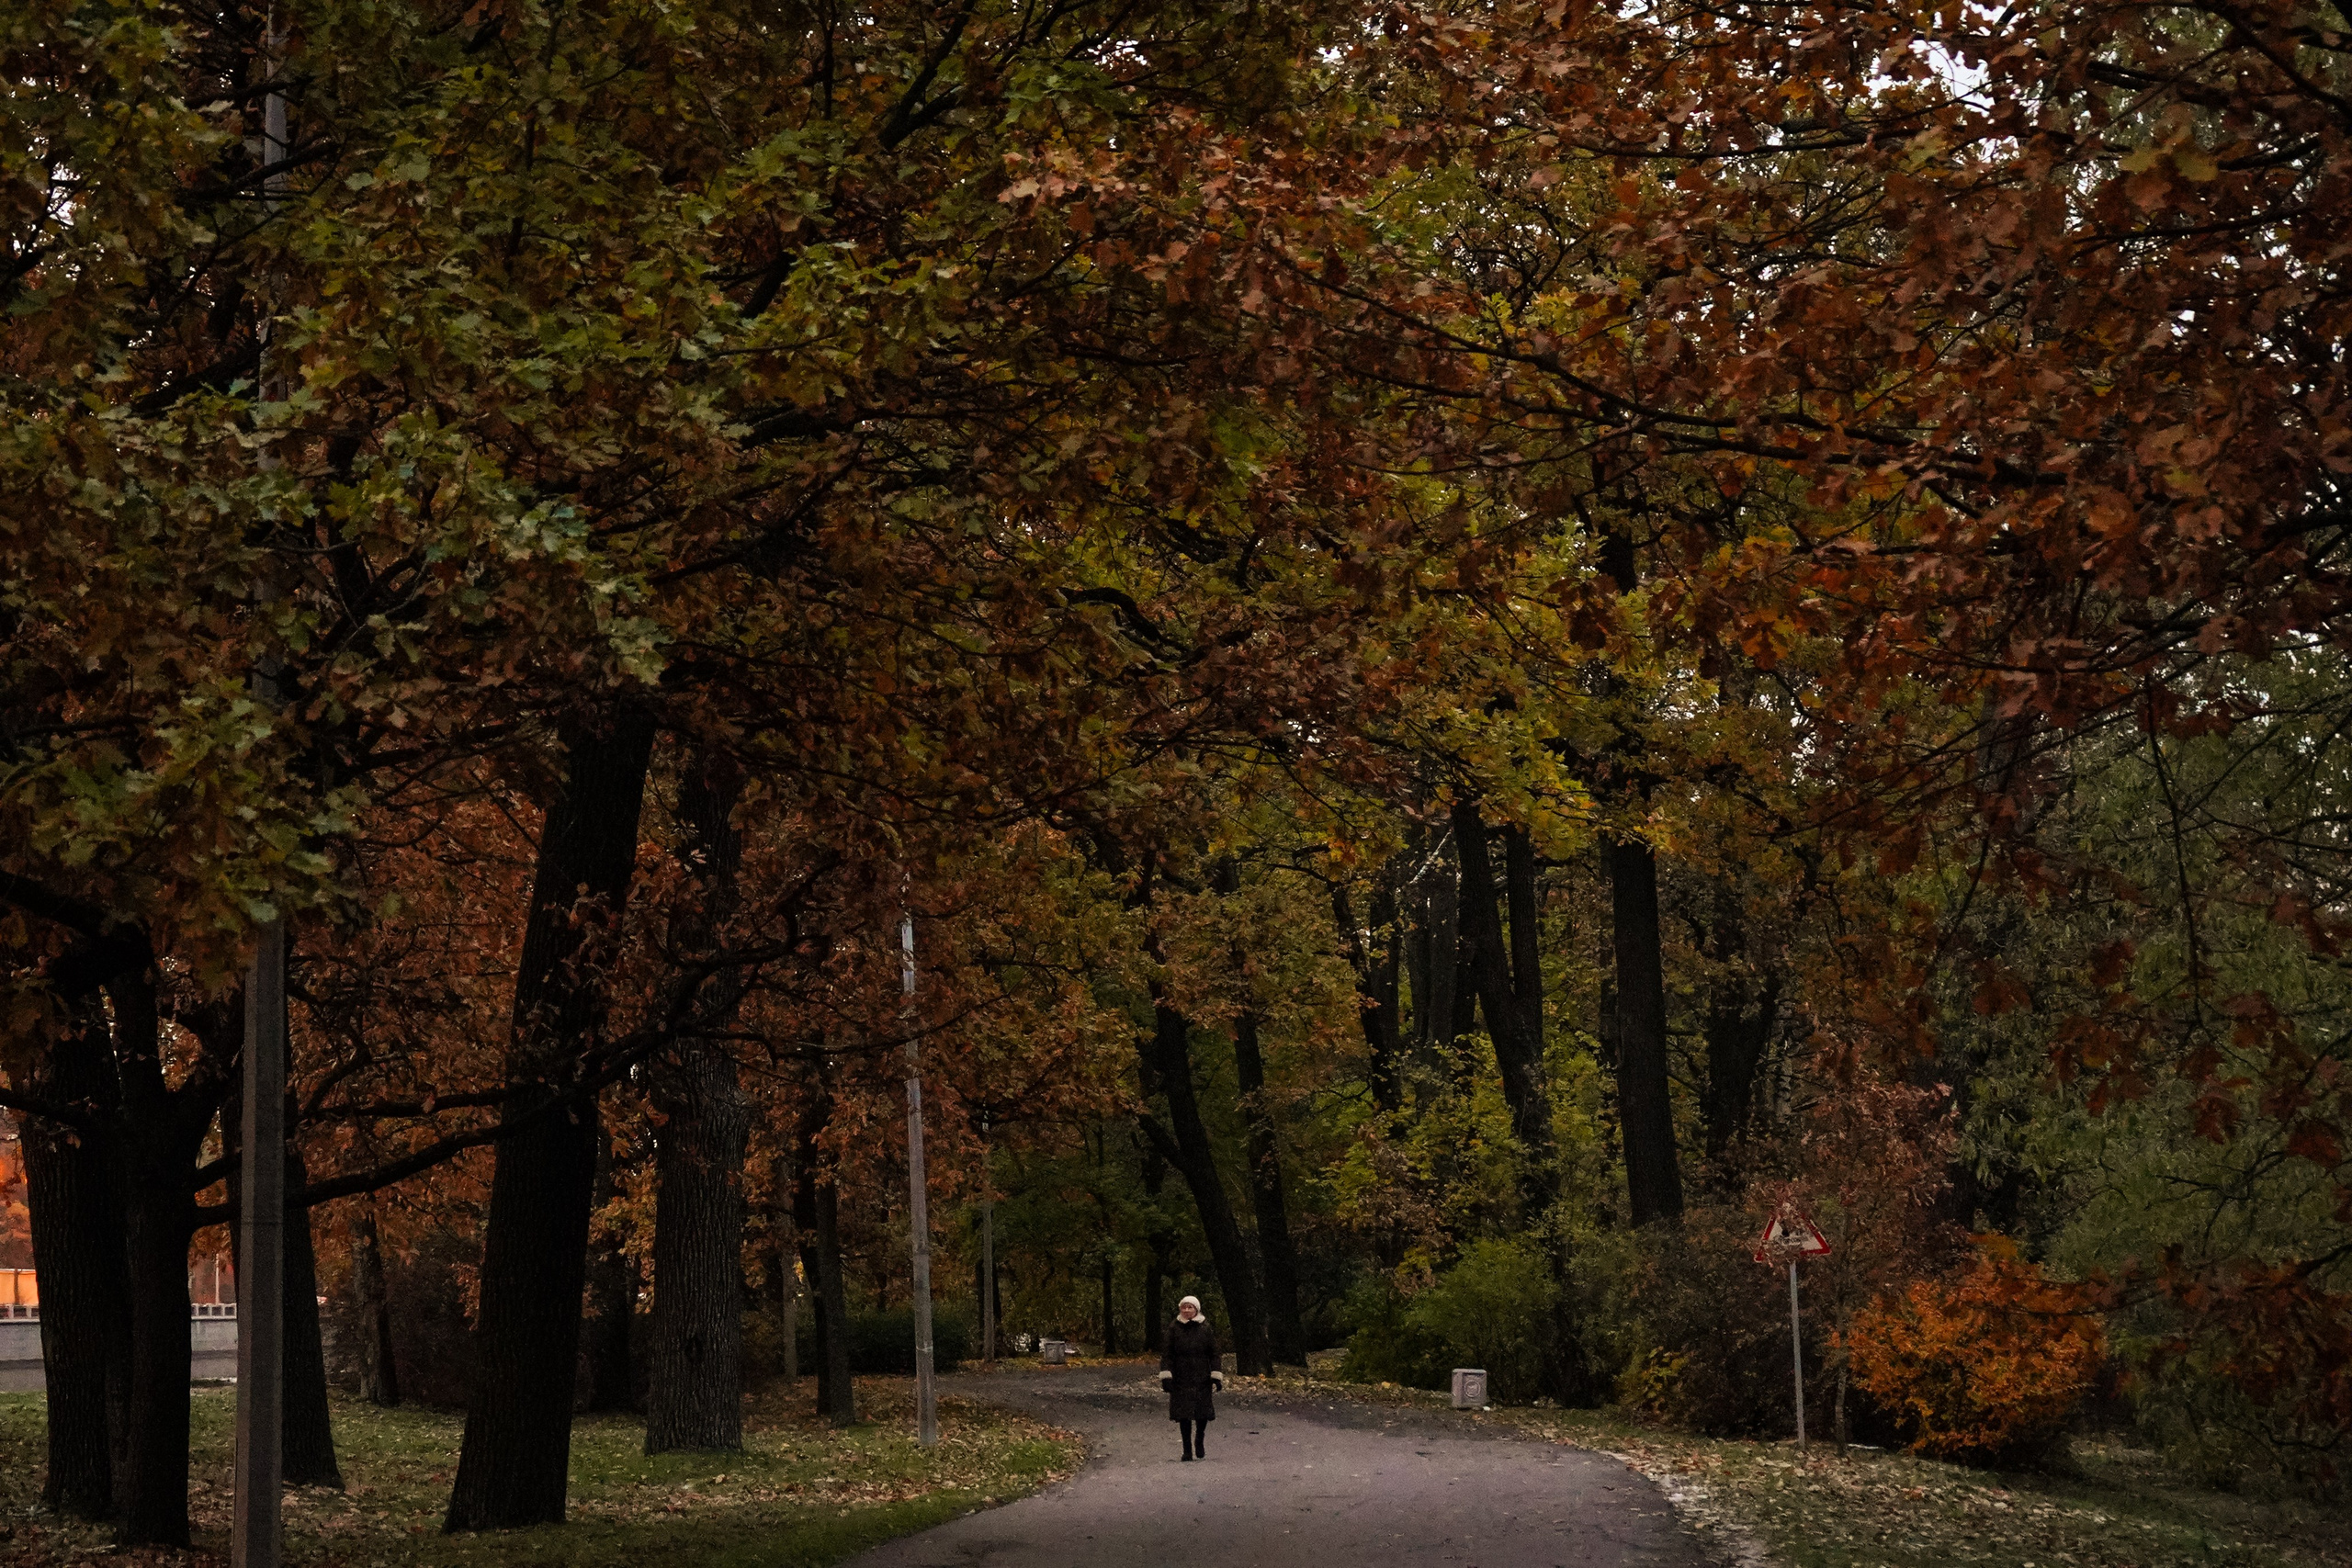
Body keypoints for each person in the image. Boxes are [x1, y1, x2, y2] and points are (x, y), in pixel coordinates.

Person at [1158, 1294, 1224, 1461]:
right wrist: (1166, 1375)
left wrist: (1216, 1375)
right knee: (1183, 1414)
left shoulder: (1205, 1328)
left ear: (1196, 1310)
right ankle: (1187, 1449)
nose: (1187, 1310)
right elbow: (1167, 1354)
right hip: (1181, 1376)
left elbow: (1214, 1353)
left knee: (1202, 1412)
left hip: (1202, 1375)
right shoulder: (1174, 1328)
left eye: (1190, 1307)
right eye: (1184, 1307)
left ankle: (1199, 1439)